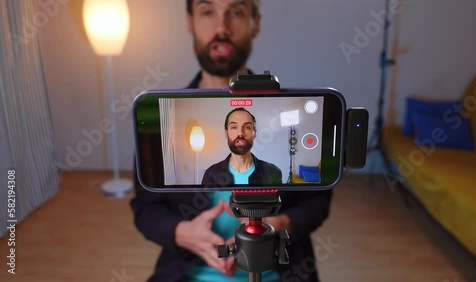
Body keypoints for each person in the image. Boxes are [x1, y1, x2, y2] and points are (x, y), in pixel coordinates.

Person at [130, 1, 333, 281]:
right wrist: (183, 233)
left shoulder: (287, 114)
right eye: (207, 11)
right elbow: (145, 209)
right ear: (190, 22)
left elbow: (318, 202)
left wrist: (281, 225)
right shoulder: (165, 120)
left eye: (236, 12)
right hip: (188, 272)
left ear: (255, 23)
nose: (221, 28)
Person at [202, 107, 282, 187]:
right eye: (234, 127)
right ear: (226, 134)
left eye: (247, 127)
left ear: (254, 134)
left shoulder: (273, 173)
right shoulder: (211, 175)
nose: (240, 133)